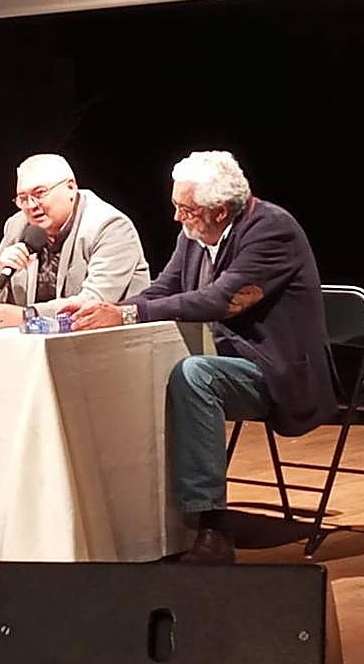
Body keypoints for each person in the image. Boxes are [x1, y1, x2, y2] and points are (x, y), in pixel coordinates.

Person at [66, 150, 336, 563]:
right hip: (227, 358)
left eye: (186, 209)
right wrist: (110, 313)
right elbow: (165, 289)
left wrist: (127, 313)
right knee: (152, 368)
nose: (177, 218)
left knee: (196, 375)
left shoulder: (272, 230)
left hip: (276, 372)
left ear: (222, 212)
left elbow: (220, 299)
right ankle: (143, 516)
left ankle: (211, 525)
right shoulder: (194, 234)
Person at [0, 153, 150, 327]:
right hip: (35, 342)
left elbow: (93, 302)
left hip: (108, 342)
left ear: (71, 188)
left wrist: (28, 315)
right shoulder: (17, 225)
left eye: (40, 193)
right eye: (23, 198)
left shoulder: (110, 226)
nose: (31, 205)